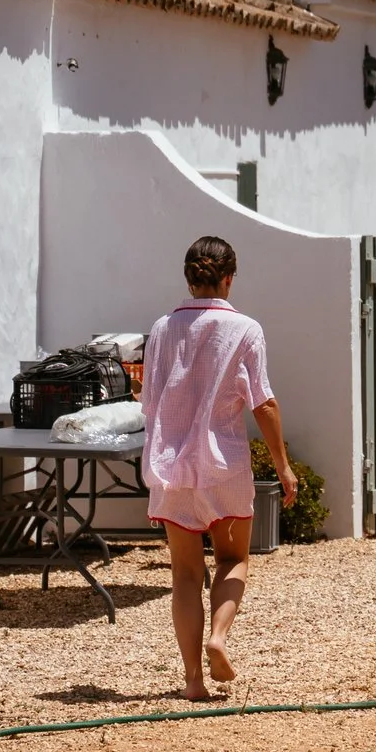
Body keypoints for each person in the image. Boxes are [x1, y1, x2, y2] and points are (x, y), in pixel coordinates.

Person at [138, 235, 297, 700]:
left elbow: (149, 404)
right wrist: (283, 466)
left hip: (171, 470)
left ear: (189, 277)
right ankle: (219, 637)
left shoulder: (162, 329)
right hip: (223, 467)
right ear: (228, 278)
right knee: (233, 560)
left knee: (185, 574)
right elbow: (263, 404)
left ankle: (192, 681)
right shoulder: (245, 330)